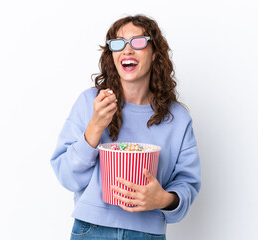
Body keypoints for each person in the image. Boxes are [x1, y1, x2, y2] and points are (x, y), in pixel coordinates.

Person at [50, 14, 201, 239]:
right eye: (118, 43)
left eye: (138, 42)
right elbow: (67, 176)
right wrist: (95, 126)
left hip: (147, 232)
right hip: (91, 230)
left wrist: (164, 199)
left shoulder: (177, 118)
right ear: (111, 55)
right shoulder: (91, 103)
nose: (127, 50)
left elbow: (187, 183)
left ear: (155, 53)